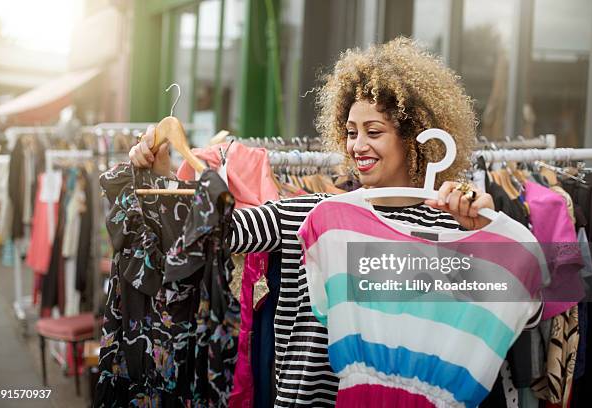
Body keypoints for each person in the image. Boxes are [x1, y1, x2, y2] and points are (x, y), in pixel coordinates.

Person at [130, 37, 495, 407]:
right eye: (351, 132)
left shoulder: (446, 228)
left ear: (414, 139)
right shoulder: (310, 216)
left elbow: (530, 305)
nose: (357, 146)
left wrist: (487, 232)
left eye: (374, 132)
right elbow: (211, 233)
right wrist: (163, 180)